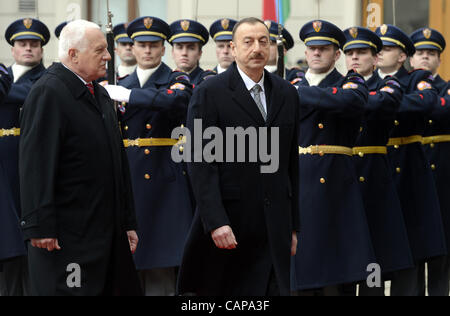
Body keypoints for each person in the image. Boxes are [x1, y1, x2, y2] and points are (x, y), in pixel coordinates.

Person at [177, 17, 300, 296]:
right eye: (248, 41)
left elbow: (291, 163)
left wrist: (293, 225)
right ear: (233, 48)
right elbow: (199, 161)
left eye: (263, 41)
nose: (257, 48)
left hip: (275, 222)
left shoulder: (287, 93)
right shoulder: (210, 92)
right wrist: (215, 221)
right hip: (231, 223)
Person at [18, 19, 142, 296]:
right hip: (67, 238)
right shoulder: (48, 92)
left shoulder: (98, 93)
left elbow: (117, 165)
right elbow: (36, 163)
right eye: (100, 50)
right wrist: (39, 225)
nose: (108, 56)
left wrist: (128, 222)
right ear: (73, 54)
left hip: (105, 234)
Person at [105, 16, 194, 296]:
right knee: (129, 267)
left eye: (154, 45)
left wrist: (129, 96)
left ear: (163, 48)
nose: (147, 51)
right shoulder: (120, 81)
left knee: (161, 268)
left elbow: (176, 101)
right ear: (131, 46)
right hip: (129, 174)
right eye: (141, 44)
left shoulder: (176, 78)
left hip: (163, 178)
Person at [290, 20, 375, 296]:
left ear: (337, 54)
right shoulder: (293, 82)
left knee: (337, 269)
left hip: (335, 180)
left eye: (323, 49)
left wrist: (301, 94)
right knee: (301, 265)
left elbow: (351, 102)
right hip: (300, 177)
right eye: (312, 48)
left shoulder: (351, 80)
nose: (316, 53)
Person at [375, 24, 446, 296]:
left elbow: (427, 103)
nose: (380, 53)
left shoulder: (416, 79)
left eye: (388, 48)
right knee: (377, 252)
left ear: (403, 56)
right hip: (376, 170)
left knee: (414, 249)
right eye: (377, 49)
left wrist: (380, 102)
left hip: (409, 168)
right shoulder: (364, 81)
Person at [343, 26, 414, 296]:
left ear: (375, 59)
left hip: (374, 176)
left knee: (375, 253)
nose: (355, 58)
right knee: (346, 250)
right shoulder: (339, 84)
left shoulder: (388, 84)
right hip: (344, 177)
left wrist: (339, 99)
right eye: (350, 53)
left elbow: (379, 104)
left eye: (362, 53)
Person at [0, 18, 50, 297]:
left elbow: (35, 95)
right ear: (13, 48)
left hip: (28, 166)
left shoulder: (46, 78)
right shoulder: (6, 75)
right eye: (23, 44)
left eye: (34, 44)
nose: (28, 49)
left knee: (30, 241)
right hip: (4, 168)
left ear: (42, 49)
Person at [411, 27, 450, 296]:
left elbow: (439, 110)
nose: (425, 57)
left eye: (431, 53)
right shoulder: (400, 85)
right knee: (412, 250)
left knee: (443, 252)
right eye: (420, 52)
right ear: (410, 58)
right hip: (411, 174)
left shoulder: (446, 88)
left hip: (443, 177)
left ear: (439, 59)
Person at [169, 19, 216, 85]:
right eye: (179, 48)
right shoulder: (165, 79)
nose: (184, 53)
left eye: (191, 48)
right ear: (172, 52)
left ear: (199, 54)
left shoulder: (207, 80)